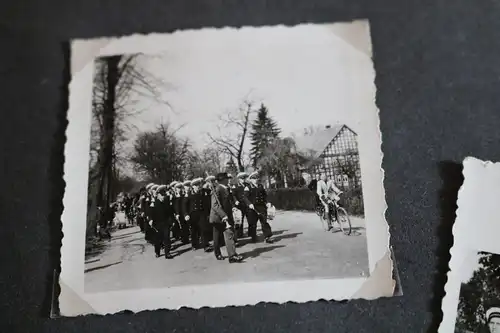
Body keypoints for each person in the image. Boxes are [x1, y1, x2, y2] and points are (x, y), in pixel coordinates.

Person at [210, 172, 243, 263]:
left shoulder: (226, 188)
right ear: (222, 180)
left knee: (229, 234)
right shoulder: (217, 189)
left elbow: (229, 202)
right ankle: (218, 253)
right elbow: (215, 205)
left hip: (227, 215)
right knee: (216, 237)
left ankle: (232, 255)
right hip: (217, 217)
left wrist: (233, 208)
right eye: (226, 179)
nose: (228, 180)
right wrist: (223, 215)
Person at [248, 171, 273, 243]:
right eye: (254, 178)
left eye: (257, 178)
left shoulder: (260, 186)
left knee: (264, 221)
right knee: (253, 223)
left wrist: (268, 202)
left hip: (261, 207)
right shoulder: (248, 187)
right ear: (251, 180)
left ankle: (268, 237)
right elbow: (245, 197)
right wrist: (249, 204)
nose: (256, 180)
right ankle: (253, 236)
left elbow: (265, 195)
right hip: (253, 208)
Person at [233, 172, 253, 240]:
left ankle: (251, 233)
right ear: (238, 179)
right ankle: (239, 234)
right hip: (240, 205)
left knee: (250, 219)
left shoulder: (248, 185)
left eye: (244, 178)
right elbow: (233, 195)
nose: (243, 179)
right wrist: (235, 200)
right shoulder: (235, 186)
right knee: (240, 220)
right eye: (241, 178)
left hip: (247, 205)